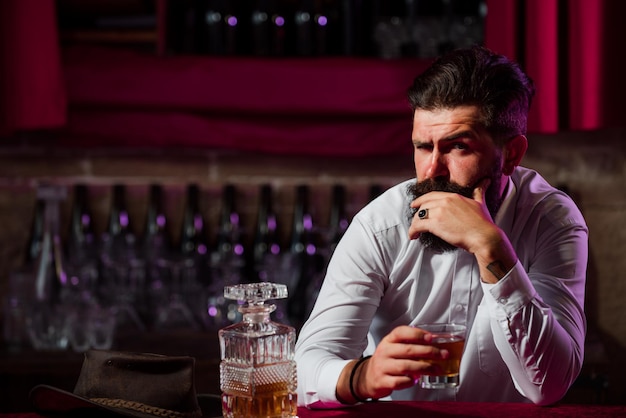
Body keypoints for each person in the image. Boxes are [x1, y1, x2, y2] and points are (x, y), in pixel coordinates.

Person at [294, 46, 587, 408]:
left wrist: (492, 248)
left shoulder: (552, 220)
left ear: (511, 154)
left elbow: (549, 385)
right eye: (422, 147)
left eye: (458, 147)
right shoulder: (379, 226)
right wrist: (361, 376)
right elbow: (304, 368)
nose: (432, 170)